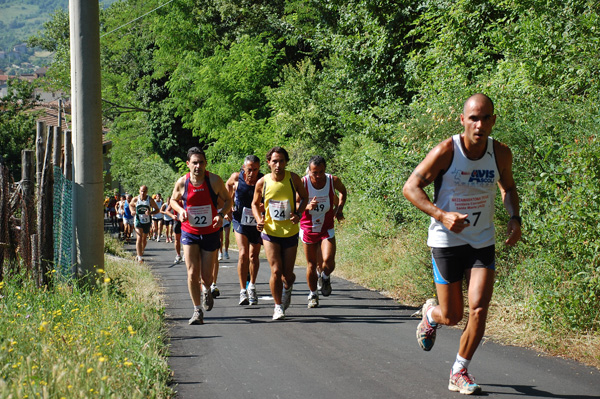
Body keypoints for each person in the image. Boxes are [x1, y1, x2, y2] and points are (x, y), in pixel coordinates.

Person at [402, 93, 522, 395]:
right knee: (453, 316)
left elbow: (508, 187)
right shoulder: (446, 151)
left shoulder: (500, 153)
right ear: (463, 120)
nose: (479, 124)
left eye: (485, 118)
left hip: (482, 241)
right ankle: (431, 315)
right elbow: (410, 187)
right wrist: (442, 215)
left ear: (493, 120)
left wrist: (514, 217)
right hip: (446, 241)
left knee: (479, 308)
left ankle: (459, 371)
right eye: (473, 118)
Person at [170, 147, 232, 325]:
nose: (198, 166)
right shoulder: (182, 182)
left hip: (211, 231)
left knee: (207, 277)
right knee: (191, 273)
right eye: (194, 163)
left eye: (201, 162)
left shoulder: (214, 180)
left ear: (206, 164)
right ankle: (197, 311)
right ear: (188, 164)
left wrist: (220, 216)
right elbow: (173, 200)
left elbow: (228, 200)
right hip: (189, 231)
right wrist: (181, 211)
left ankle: (206, 289)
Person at [252, 147, 308, 320]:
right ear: (268, 163)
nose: (278, 165)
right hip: (270, 231)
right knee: (276, 270)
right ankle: (278, 307)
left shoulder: (293, 178)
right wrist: (258, 220)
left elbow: (305, 198)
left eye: (281, 161)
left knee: (287, 275)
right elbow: (254, 204)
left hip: (290, 231)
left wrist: (298, 214)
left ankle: (288, 288)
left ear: (286, 162)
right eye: (274, 161)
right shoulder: (263, 182)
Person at [300, 156, 347, 308]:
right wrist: (307, 207)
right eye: (315, 173)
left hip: (326, 227)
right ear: (309, 171)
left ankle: (325, 277)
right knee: (311, 265)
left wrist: (339, 210)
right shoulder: (303, 182)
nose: (318, 176)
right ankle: (313, 294)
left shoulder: (333, 180)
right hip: (308, 228)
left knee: (328, 260)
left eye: (321, 172)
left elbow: (343, 192)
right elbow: (294, 203)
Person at [226, 155, 264, 306]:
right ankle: (242, 290)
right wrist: (229, 204)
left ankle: (252, 286)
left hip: (256, 221)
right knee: (243, 253)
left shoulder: (264, 179)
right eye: (249, 169)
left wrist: (264, 207)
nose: (252, 173)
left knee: (254, 256)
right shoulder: (236, 177)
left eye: (255, 170)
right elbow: (227, 186)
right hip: (240, 219)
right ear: (243, 168)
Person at [129, 185, 160, 262]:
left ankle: (141, 252)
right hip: (138, 220)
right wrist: (132, 211)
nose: (143, 193)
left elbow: (157, 210)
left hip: (147, 221)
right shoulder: (136, 199)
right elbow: (130, 205)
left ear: (147, 192)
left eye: (144, 191)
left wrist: (150, 212)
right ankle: (139, 257)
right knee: (139, 238)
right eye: (141, 191)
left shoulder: (150, 200)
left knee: (144, 239)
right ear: (139, 191)